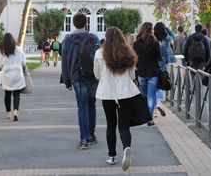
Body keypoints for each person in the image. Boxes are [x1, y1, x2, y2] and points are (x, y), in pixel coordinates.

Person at [94, 27, 139, 170]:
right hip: (125, 93)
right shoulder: (128, 52)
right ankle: (126, 147)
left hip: (107, 93)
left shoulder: (100, 53)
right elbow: (132, 76)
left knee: (111, 124)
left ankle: (112, 156)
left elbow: (97, 75)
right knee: (124, 126)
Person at [61, 13, 100, 149]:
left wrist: (67, 81)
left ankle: (84, 140)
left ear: (73, 23)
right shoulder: (94, 38)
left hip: (77, 76)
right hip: (93, 76)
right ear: (86, 23)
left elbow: (65, 61)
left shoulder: (68, 40)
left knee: (82, 106)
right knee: (92, 104)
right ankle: (91, 134)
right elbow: (98, 58)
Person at [133, 22, 162, 126]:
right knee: (151, 96)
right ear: (151, 30)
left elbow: (134, 57)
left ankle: (144, 116)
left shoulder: (136, 43)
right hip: (153, 72)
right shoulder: (155, 43)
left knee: (144, 95)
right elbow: (159, 57)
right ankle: (149, 117)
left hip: (141, 72)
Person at [0, 33, 26, 122]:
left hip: (7, 75)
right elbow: (24, 62)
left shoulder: (2, 51)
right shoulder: (19, 49)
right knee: (16, 94)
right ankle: (15, 112)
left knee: (7, 94)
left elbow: (0, 64)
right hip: (17, 74)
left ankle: (8, 113)